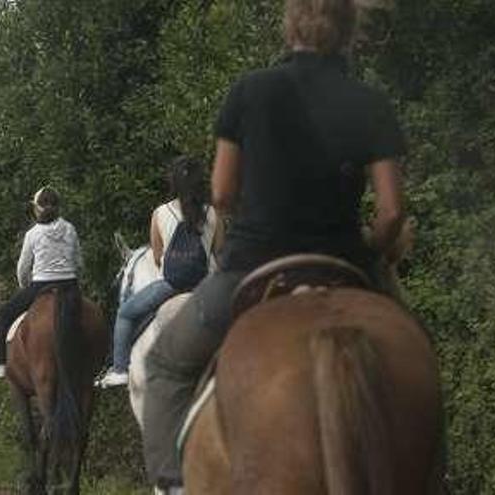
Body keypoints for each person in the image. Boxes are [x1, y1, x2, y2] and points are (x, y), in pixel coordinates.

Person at [141, 0, 408, 491]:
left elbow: (221, 193)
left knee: (164, 366)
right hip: (346, 264)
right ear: (350, 31)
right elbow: (392, 211)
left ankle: (174, 484)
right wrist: (370, 247)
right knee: (416, 358)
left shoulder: (250, 91)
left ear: (290, 27)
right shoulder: (371, 101)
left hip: (252, 265)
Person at [99, 156, 222, 388]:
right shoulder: (212, 213)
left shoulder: (160, 213)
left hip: (171, 286)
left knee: (125, 314)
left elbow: (157, 257)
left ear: (172, 182)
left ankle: (119, 369)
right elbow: (220, 252)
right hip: (207, 287)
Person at [0, 186, 82, 378]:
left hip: (41, 284)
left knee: (4, 314)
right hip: (69, 285)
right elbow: (78, 261)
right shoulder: (70, 229)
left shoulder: (33, 234)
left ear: (37, 208)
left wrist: (24, 286)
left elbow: (23, 267)